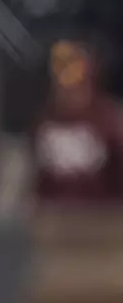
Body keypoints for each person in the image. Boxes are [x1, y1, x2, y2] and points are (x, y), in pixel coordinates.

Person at [32, 41, 123, 204]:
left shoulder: (108, 120)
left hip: (101, 217)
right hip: (55, 217)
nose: (69, 91)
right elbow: (38, 180)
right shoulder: (44, 121)